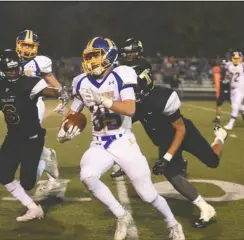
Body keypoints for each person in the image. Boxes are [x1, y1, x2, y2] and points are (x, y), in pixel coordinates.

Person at [57, 37, 185, 240]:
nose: (91, 62)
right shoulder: (80, 81)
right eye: (89, 57)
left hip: (123, 141)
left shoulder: (121, 75)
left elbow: (130, 108)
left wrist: (105, 101)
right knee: (88, 176)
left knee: (147, 195)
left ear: (109, 56)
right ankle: (121, 215)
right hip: (99, 143)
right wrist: (65, 130)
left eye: (95, 57)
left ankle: (173, 224)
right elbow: (74, 113)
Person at [111, 39, 223, 228]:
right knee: (171, 174)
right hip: (164, 140)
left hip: (184, 134)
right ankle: (206, 208)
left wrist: (168, 156)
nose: (130, 93)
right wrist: (124, 158)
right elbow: (123, 129)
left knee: (213, 162)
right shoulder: (134, 102)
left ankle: (220, 136)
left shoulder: (162, 98)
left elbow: (180, 129)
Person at [0, 30, 69, 190]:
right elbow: (0, 81)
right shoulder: (10, 59)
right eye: (24, 45)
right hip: (14, 100)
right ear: (17, 45)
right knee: (20, 133)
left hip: (33, 101)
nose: (27, 49)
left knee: (28, 132)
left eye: (30, 46)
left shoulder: (41, 61)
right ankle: (45, 155)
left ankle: (40, 158)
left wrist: (62, 96)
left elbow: (52, 81)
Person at [0, 49, 67, 221]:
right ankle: (34, 208)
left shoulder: (31, 82)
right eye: (8, 70)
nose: (13, 73)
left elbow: (56, 91)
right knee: (4, 177)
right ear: (0, 70)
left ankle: (46, 160)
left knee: (27, 184)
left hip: (32, 138)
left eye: (15, 68)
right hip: (12, 137)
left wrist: (63, 96)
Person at [224, 52, 244, 130]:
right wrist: (226, 79)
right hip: (233, 88)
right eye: (234, 58)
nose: (236, 60)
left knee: (235, 106)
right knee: (235, 105)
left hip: (241, 88)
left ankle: (231, 124)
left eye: (237, 58)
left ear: (241, 59)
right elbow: (229, 76)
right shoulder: (229, 66)